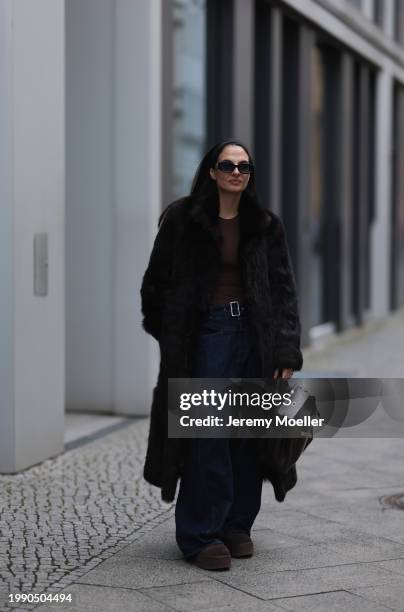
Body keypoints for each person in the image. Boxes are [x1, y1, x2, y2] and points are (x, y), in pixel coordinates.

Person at [140, 139, 303, 570]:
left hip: (255, 337)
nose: (236, 171)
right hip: (207, 336)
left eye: (244, 166)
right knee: (206, 437)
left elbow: (284, 292)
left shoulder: (266, 225)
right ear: (212, 170)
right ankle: (200, 534)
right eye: (227, 164)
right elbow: (154, 288)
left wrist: (286, 348)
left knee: (247, 437)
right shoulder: (182, 219)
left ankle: (236, 526)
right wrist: (177, 338)